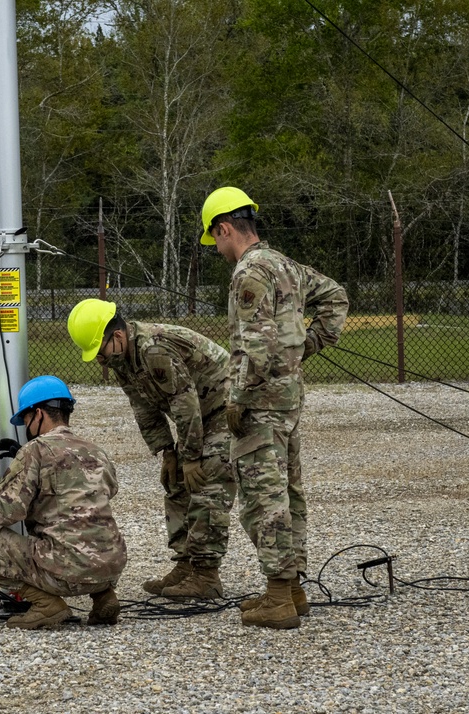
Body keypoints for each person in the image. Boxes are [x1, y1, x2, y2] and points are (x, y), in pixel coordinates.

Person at [200, 186, 349, 629]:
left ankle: (279, 596)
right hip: (288, 398)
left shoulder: (249, 272)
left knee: (263, 498)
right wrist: (304, 347)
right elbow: (336, 297)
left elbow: (258, 347)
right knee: (289, 490)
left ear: (225, 228)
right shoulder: (285, 264)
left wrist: (237, 397)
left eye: (216, 240)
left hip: (260, 403)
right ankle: (294, 589)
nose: (219, 250)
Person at [67, 299, 236, 600]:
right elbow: (143, 407)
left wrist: (192, 457)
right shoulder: (121, 360)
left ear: (117, 337)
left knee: (208, 480)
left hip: (227, 409)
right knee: (176, 484)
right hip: (200, 414)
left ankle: (207, 575)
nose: (99, 361)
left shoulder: (153, 349)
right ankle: (186, 565)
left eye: (99, 351)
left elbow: (186, 406)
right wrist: (168, 452)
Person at [0, 376, 127, 629]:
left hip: (68, 569)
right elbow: (106, 491)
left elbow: (6, 512)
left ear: (39, 413)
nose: (25, 426)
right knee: (87, 530)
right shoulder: (95, 450)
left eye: (25, 419)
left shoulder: (36, 450)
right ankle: (103, 596)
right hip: (110, 565)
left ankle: (46, 604)